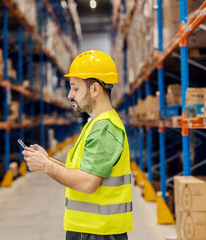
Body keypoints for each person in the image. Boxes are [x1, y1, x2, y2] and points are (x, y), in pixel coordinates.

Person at [22, 50, 132, 240]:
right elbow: (82, 170)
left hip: (97, 232)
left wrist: (46, 166)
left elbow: (88, 183)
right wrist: (48, 160)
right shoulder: (96, 124)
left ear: (95, 89)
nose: (69, 94)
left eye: (75, 88)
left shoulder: (104, 129)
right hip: (92, 229)